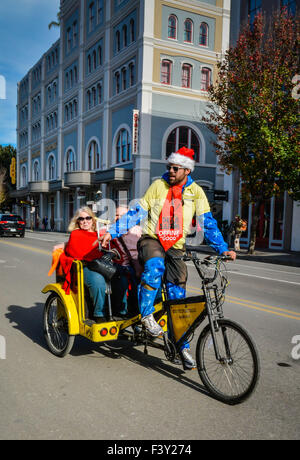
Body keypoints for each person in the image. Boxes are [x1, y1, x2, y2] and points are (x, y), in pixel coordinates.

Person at [100, 147, 236, 369]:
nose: (170, 171)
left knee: (177, 298)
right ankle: (146, 316)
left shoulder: (196, 192)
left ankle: (181, 346)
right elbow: (137, 214)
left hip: (176, 246)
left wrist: (222, 249)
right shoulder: (158, 186)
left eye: (175, 168)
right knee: (154, 266)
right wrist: (113, 231)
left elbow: (207, 223)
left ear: (186, 170)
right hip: (152, 240)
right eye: (169, 167)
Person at [57, 206, 121, 323]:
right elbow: (76, 252)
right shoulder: (76, 234)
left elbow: (116, 250)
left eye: (88, 218)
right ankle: (99, 314)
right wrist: (99, 255)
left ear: (93, 219)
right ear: (77, 221)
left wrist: (111, 252)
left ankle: (121, 311)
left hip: (102, 265)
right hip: (85, 267)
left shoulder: (99, 234)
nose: (85, 221)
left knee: (122, 278)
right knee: (98, 281)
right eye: (81, 219)